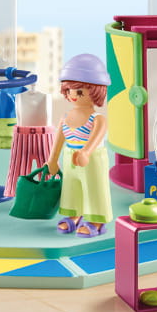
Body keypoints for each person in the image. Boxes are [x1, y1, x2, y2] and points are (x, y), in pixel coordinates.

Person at [50, 53, 112, 235]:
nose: (73, 96)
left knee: (94, 189)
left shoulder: (97, 118)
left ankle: (96, 221)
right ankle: (74, 215)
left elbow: (95, 138)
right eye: (69, 90)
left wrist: (86, 152)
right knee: (71, 188)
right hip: (70, 157)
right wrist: (52, 159)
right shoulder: (65, 118)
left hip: (92, 160)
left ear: (96, 92)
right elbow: (59, 140)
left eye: (79, 92)